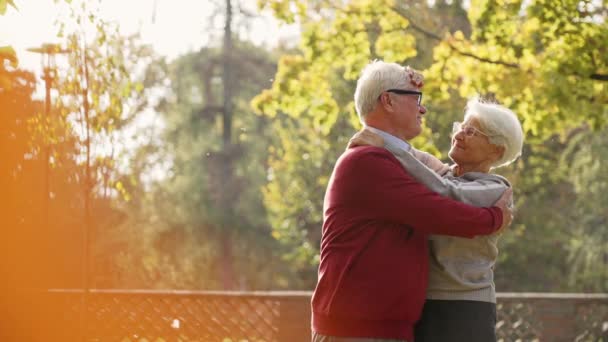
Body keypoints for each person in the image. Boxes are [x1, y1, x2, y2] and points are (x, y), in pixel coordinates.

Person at [310, 60, 513, 342]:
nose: (423, 108)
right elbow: (437, 210)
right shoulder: (369, 161)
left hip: (384, 327)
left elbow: (429, 170)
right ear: (388, 101)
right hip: (356, 329)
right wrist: (495, 218)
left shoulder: (389, 159)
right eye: (416, 98)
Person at [348, 97, 524, 342]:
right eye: (460, 127)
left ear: (497, 150)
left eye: (471, 132)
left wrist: (390, 148)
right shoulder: (443, 174)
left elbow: (447, 194)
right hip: (422, 302)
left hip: (464, 307)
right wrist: (379, 138)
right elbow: (417, 160)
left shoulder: (495, 188)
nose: (459, 135)